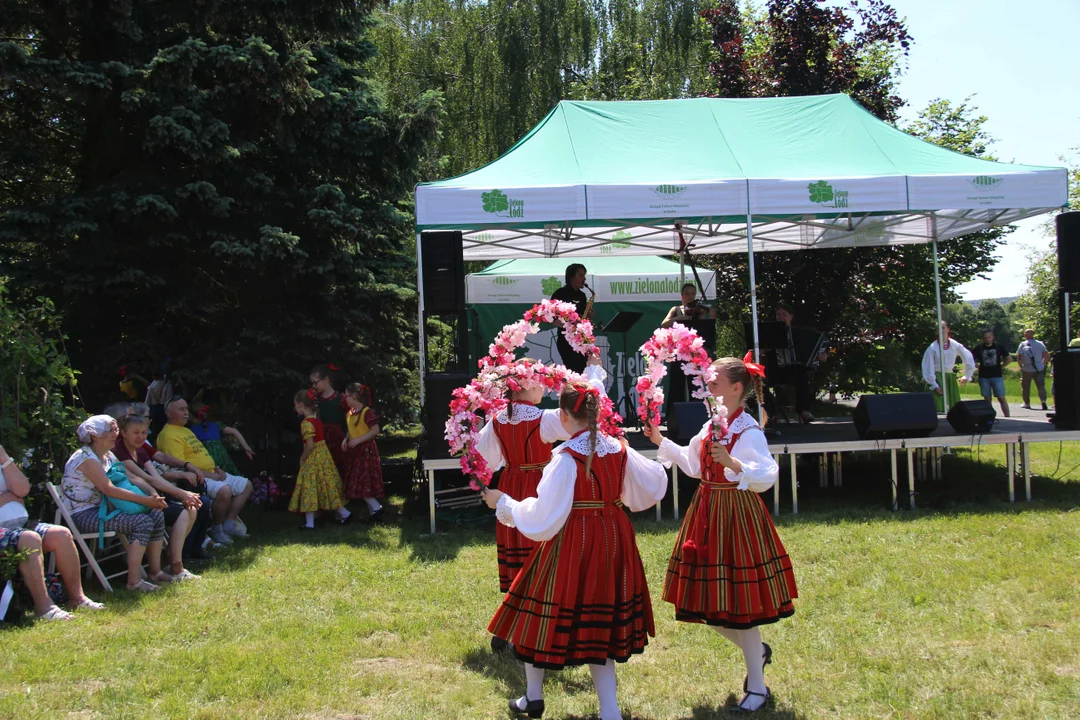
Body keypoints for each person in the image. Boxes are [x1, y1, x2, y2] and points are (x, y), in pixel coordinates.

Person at [482, 381, 667, 720]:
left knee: (537, 611)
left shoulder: (565, 459)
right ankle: (608, 710)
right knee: (602, 620)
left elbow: (542, 519)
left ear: (565, 416)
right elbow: (655, 484)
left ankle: (533, 698)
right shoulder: (619, 449)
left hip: (574, 541)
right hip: (614, 537)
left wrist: (504, 503)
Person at [645, 356, 797, 713]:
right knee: (704, 603)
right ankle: (757, 652)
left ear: (736, 388)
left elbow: (765, 474)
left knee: (742, 607)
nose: (707, 389)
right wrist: (660, 440)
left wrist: (733, 463)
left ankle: (757, 688)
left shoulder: (748, 430)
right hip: (707, 511)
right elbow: (694, 465)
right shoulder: (713, 423)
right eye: (708, 382)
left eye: (714, 383)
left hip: (737, 517)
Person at [474, 356, 607, 652]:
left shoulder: (497, 419)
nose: (544, 389)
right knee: (542, 554)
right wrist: (593, 374)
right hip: (539, 487)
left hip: (509, 484)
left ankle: (510, 626)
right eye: (540, 383)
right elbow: (583, 420)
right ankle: (531, 629)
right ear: (525, 383)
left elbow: (484, 460)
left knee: (518, 556)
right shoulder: (543, 419)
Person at [61, 416, 173, 592]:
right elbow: (109, 489)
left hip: (104, 509)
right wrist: (145, 500)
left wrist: (153, 495)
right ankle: (134, 582)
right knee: (142, 522)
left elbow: (133, 477)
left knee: (155, 514)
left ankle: (155, 572)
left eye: (116, 430)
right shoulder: (85, 458)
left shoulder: (108, 455)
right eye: (110, 430)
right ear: (95, 436)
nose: (116, 434)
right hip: (83, 514)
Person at [0, 443, 105, 620]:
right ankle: (44, 607)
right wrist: (8, 496)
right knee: (30, 538)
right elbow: (14, 494)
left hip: (19, 524)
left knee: (61, 534)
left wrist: (4, 457)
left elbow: (22, 489)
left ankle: (77, 598)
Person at [114, 414, 201, 580]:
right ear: (123, 433)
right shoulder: (119, 451)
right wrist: (182, 493)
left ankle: (173, 559)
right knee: (186, 509)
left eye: (144, 433)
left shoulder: (140, 450)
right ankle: (176, 566)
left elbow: (156, 478)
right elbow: (147, 479)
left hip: (152, 497)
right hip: (133, 502)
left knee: (191, 508)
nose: (140, 437)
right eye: (136, 432)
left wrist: (184, 495)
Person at [156, 397, 253, 544]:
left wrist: (216, 469)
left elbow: (200, 454)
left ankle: (229, 524)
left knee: (247, 485)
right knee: (224, 491)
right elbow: (181, 465)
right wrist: (212, 476)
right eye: (181, 409)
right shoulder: (168, 435)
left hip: (212, 472)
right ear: (169, 414)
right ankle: (217, 529)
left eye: (187, 409)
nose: (186, 412)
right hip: (197, 478)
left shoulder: (186, 431)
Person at [291, 392, 351, 529]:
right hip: (323, 458)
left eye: (295, 405)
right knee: (327, 486)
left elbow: (310, 445)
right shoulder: (317, 420)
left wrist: (302, 457)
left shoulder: (306, 423)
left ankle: (310, 524)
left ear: (300, 405)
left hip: (312, 459)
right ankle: (344, 513)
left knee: (309, 488)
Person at [662, 283, 718, 409]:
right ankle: (674, 416)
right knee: (676, 384)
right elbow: (664, 324)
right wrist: (680, 318)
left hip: (694, 354)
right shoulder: (675, 309)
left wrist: (708, 317)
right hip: (679, 353)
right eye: (687, 293)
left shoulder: (699, 311)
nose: (690, 296)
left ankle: (698, 412)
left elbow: (703, 333)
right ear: (682, 296)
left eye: (693, 293)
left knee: (695, 384)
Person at [766, 304, 825, 423]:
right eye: (778, 314)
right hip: (774, 370)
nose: (780, 317)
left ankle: (804, 410)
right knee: (760, 382)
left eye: (784, 314)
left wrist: (822, 357)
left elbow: (817, 350)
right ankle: (770, 414)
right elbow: (759, 351)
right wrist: (766, 349)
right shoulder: (769, 332)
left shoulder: (798, 333)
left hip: (792, 371)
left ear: (791, 316)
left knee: (800, 373)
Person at [341, 383, 385, 521]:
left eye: (346, 396)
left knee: (362, 482)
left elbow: (375, 430)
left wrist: (358, 440)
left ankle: (377, 508)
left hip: (366, 452)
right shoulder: (350, 413)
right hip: (355, 452)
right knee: (358, 482)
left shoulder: (367, 412)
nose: (345, 399)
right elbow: (353, 428)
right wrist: (346, 439)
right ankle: (374, 514)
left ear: (354, 396)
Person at [921, 321, 975, 413]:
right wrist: (934, 385)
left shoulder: (955, 345)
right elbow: (927, 366)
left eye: (943, 328)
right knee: (937, 409)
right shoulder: (932, 348)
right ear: (936, 332)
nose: (941, 330)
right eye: (939, 328)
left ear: (948, 329)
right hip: (936, 378)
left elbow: (968, 357)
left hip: (949, 378)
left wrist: (967, 375)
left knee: (954, 410)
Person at [188, 402, 255, 476]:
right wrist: (246, 447)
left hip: (216, 461)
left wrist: (246, 447)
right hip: (216, 461)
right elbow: (234, 431)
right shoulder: (212, 426)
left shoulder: (192, 430)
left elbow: (234, 431)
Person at [550, 263, 592, 373]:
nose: (584, 279)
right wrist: (568, 327)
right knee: (573, 370)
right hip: (566, 341)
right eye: (581, 275)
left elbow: (582, 317)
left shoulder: (582, 296)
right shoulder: (560, 293)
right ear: (571, 277)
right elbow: (552, 318)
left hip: (581, 340)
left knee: (583, 370)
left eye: (584, 276)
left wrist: (588, 317)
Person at [309, 365, 350, 477]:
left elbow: (351, 421)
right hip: (322, 442)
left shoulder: (341, 399)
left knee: (340, 472)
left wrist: (347, 439)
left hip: (338, 442)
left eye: (315, 382)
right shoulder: (315, 401)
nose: (313, 386)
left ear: (325, 380)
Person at [976, 329, 1011, 418]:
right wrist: (977, 366)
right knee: (987, 399)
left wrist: (1001, 366)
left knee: (1001, 397)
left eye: (989, 337)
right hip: (984, 376)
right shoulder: (979, 348)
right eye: (985, 338)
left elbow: (1009, 358)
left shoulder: (998, 347)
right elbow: (969, 358)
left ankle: (1008, 417)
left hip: (997, 376)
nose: (987, 339)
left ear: (992, 337)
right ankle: (990, 417)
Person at [1016, 328, 1049, 410]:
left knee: (1025, 387)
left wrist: (1021, 366)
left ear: (1026, 335)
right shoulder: (1040, 344)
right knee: (1041, 386)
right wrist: (1043, 364)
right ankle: (1043, 401)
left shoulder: (1023, 344)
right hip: (1038, 368)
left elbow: (1019, 357)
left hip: (1027, 368)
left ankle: (1027, 403)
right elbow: (1046, 355)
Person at [144, 369, 173, 437]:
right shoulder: (167, 386)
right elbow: (169, 399)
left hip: (154, 409)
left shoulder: (151, 387)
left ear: (153, 377)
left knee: (155, 427)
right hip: (165, 409)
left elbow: (147, 401)